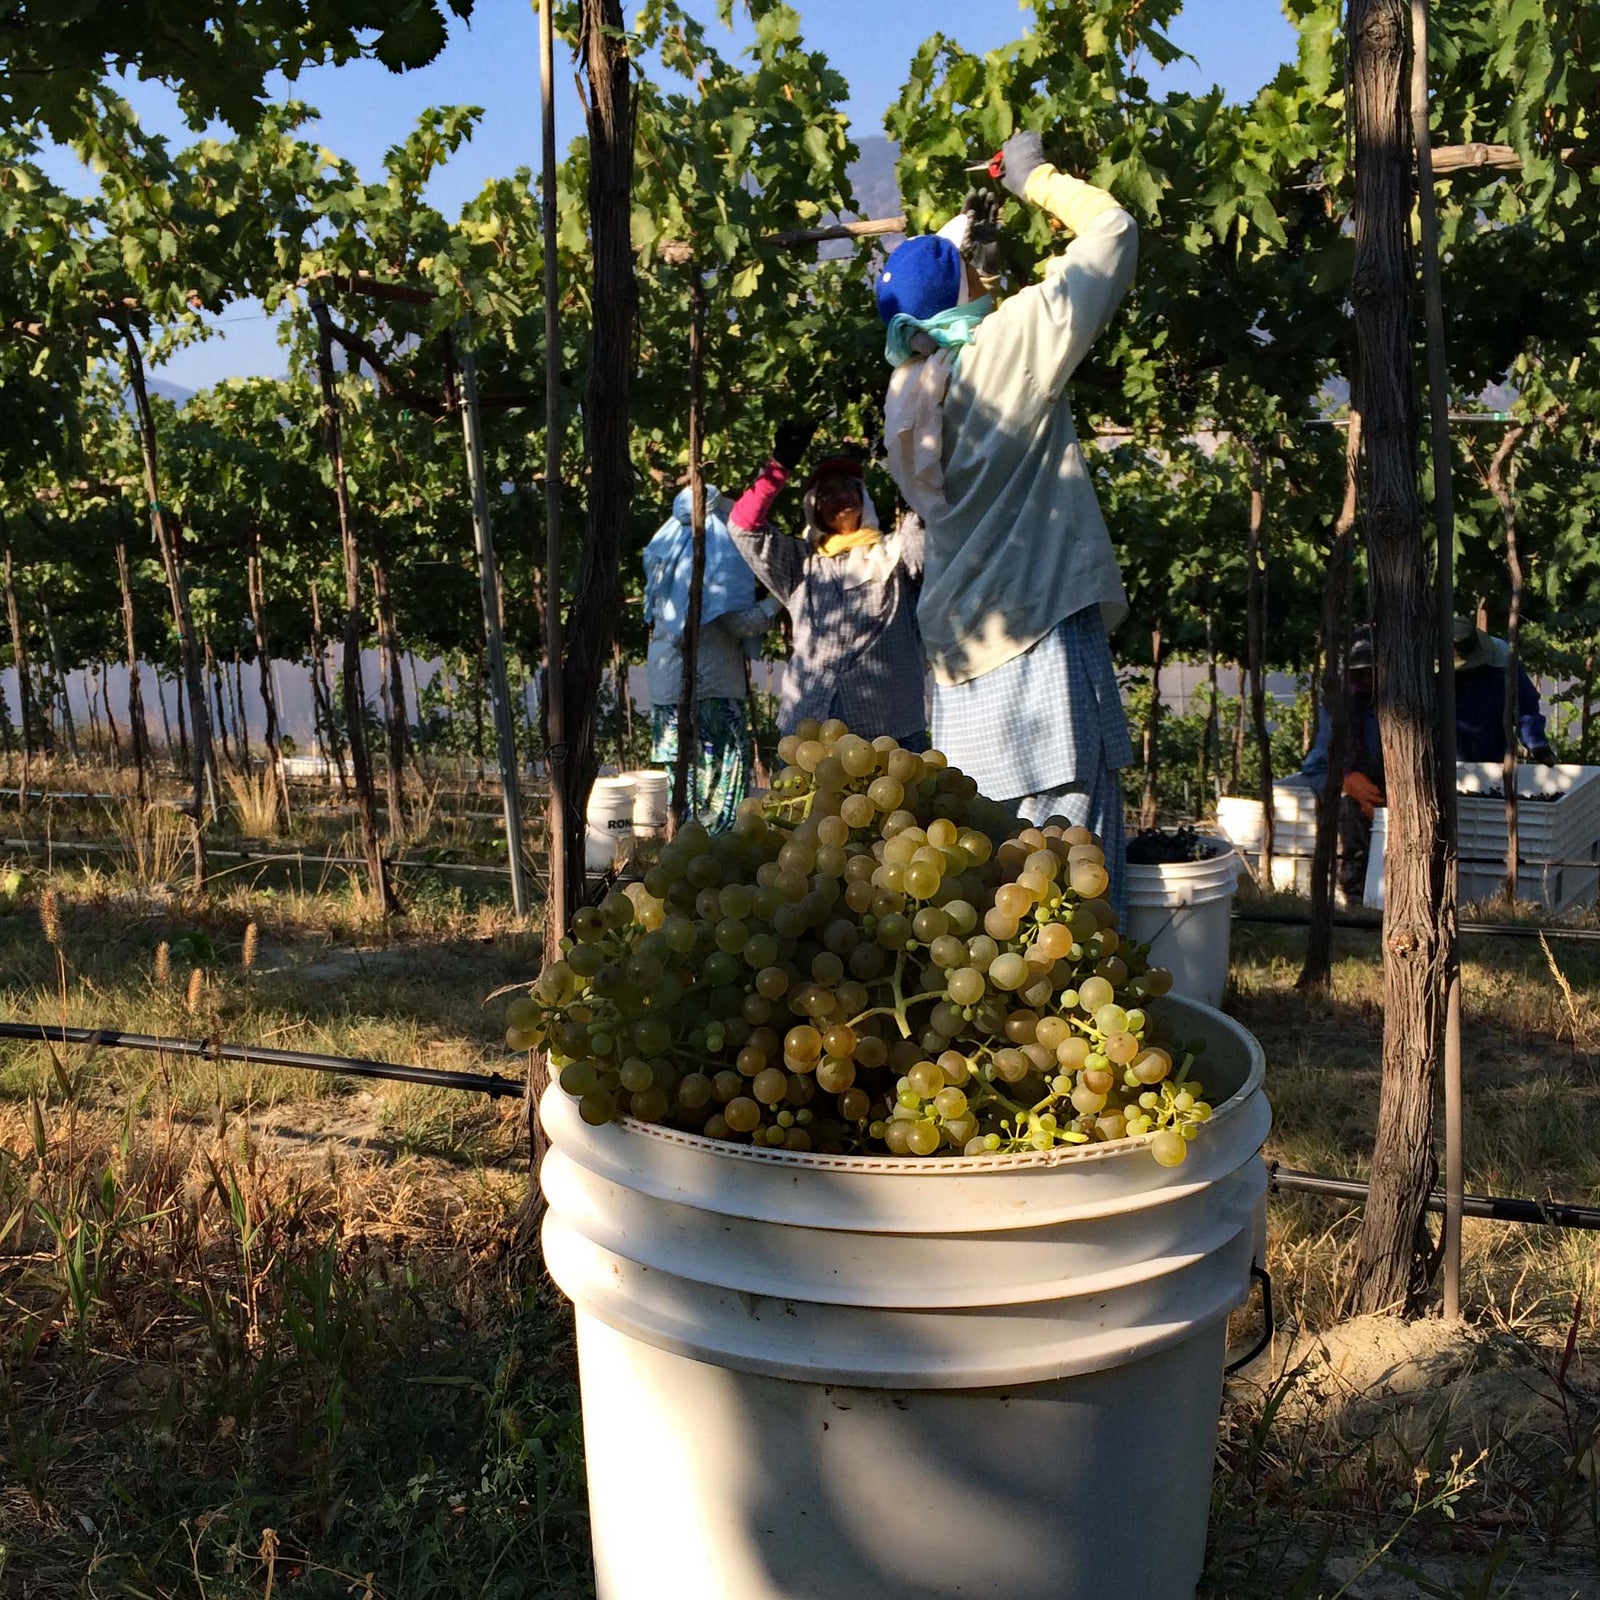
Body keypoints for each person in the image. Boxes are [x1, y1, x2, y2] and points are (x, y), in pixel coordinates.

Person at [875, 129, 1138, 915]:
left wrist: (962, 262)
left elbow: (947, 316)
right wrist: (1038, 180)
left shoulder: (906, 393)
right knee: (1070, 881)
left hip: (960, 661)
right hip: (1040, 639)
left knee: (991, 886)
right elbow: (1112, 233)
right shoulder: (1010, 344)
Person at [727, 428, 929, 750]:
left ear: (863, 497)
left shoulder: (896, 555)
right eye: (828, 493)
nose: (842, 496)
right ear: (814, 509)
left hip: (891, 734)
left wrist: (897, 464)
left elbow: (926, 514)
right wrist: (777, 469)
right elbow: (742, 528)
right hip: (809, 732)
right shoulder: (799, 564)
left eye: (850, 488)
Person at [642, 483, 777, 832]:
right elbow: (741, 623)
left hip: (667, 694)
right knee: (720, 788)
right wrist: (779, 597)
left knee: (682, 786)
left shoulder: (665, 550)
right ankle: (715, 865)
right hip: (713, 689)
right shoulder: (719, 556)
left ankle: (685, 856)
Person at [1294, 627, 1384, 901]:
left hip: (1400, 802)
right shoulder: (1338, 707)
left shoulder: (1409, 704)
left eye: (1374, 670)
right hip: (1356, 812)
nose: (1368, 678)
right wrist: (1347, 782)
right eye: (1361, 672)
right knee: (1348, 809)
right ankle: (1357, 899)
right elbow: (1314, 770)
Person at [1454, 618, 1556, 764]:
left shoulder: (1501, 659)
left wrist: (1537, 744)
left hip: (1492, 750)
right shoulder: (1423, 667)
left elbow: (1525, 705)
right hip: (1443, 753)